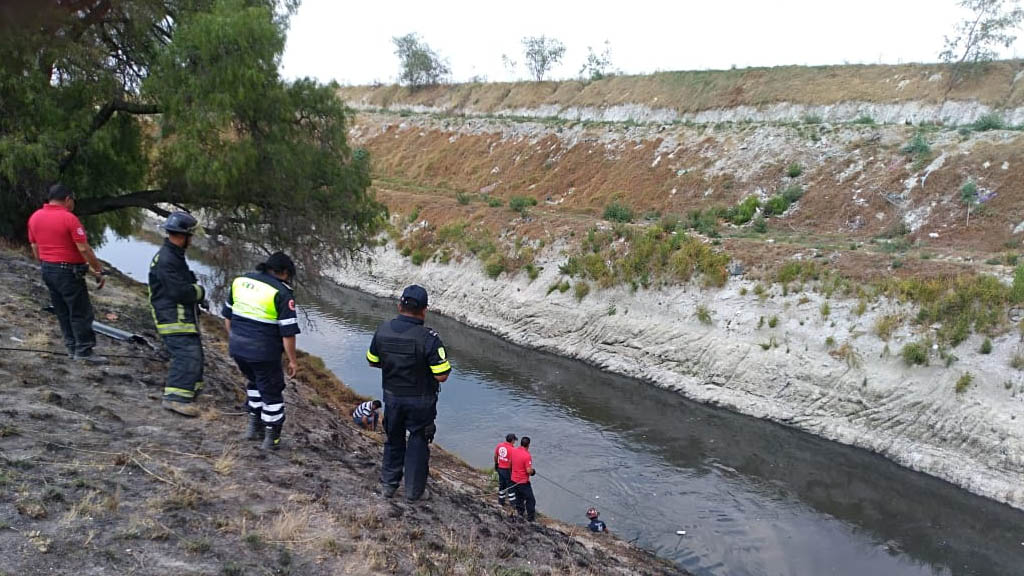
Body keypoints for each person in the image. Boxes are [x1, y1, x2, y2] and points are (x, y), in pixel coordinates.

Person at [367, 285, 451, 502]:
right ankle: (414, 492)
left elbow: (372, 361)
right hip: (420, 401)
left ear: (399, 306)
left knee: (393, 439)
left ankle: (388, 486)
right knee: (418, 443)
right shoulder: (429, 338)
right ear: (424, 310)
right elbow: (442, 375)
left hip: (392, 397)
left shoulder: (383, 330)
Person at [222, 252, 300, 450]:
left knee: (255, 383)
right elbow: (288, 333)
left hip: (238, 348)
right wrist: (292, 360)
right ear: (285, 272)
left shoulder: (241, 281)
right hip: (264, 353)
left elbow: (228, 317)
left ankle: (253, 427)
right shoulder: (282, 293)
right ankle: (271, 438)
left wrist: (236, 340)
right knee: (271, 392)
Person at [26, 183, 107, 363]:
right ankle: (84, 351)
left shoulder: (35, 217)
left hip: (48, 269)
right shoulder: (69, 219)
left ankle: (71, 347)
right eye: (73, 200)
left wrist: (45, 263)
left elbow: (35, 246)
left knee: (62, 310)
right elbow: (83, 249)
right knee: (80, 311)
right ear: (68, 199)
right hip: (68, 272)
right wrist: (99, 270)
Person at [148, 212, 206, 417]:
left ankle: (190, 390)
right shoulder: (168, 259)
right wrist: (199, 292)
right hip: (173, 317)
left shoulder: (173, 255)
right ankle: (176, 399)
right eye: (191, 235)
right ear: (183, 235)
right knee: (187, 355)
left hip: (179, 315)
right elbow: (179, 291)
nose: (192, 239)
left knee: (195, 354)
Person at [509, 436, 536, 522]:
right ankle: (530, 518)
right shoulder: (527, 455)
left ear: (521, 443)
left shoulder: (513, 451)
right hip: (523, 482)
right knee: (531, 500)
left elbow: (510, 464)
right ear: (528, 445)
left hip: (514, 480)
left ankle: (520, 513)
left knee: (519, 497)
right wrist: (533, 471)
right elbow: (528, 471)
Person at [494, 433, 517, 507]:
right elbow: (512, 462)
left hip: (500, 468)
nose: (515, 442)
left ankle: (501, 501)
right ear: (512, 440)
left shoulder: (499, 445)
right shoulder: (513, 449)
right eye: (514, 440)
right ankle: (513, 504)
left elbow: (495, 456)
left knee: (502, 485)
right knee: (511, 487)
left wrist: (496, 464)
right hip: (507, 470)